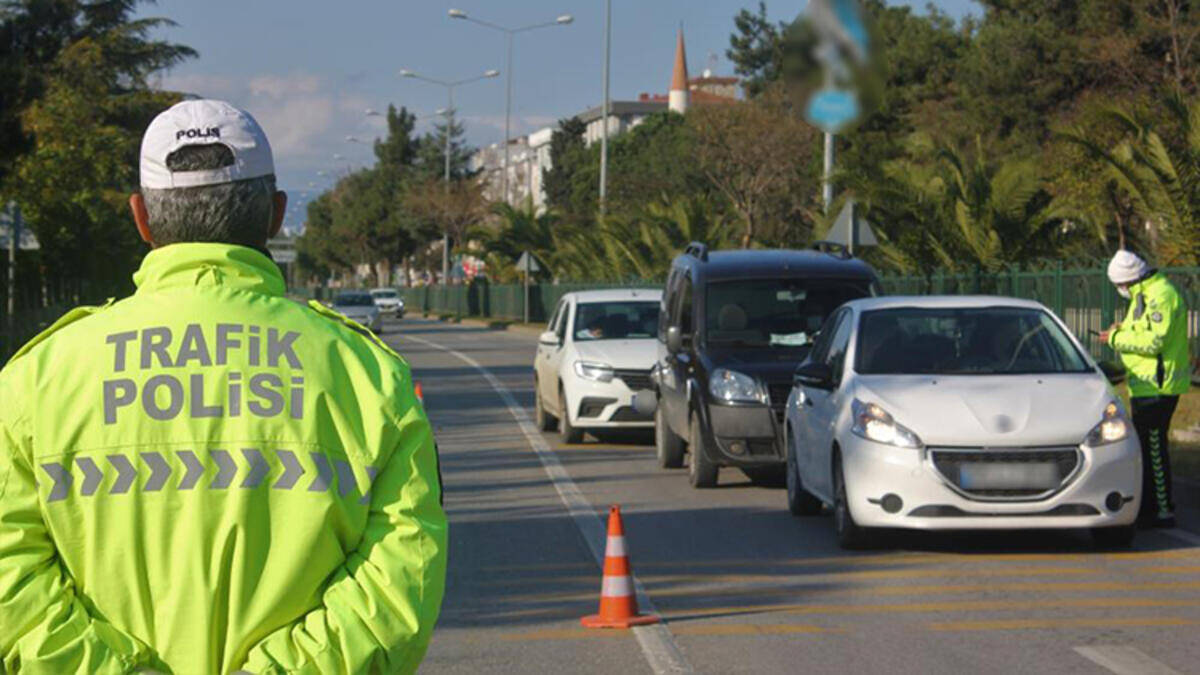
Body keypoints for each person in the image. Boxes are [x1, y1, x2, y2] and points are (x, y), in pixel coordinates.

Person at [0, 100, 447, 673]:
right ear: (276, 215)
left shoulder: (40, 377)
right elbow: (400, 578)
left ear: (141, 217)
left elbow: (15, 585)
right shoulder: (367, 373)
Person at [1100, 250, 1192, 528]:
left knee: (1153, 448)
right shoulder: (1144, 295)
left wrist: (1116, 337)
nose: (1120, 291)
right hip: (1144, 385)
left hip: (1158, 386)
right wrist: (1121, 330)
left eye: (1119, 285)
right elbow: (1139, 330)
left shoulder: (1160, 295)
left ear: (1128, 281)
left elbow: (1154, 341)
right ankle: (1149, 508)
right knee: (1147, 449)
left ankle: (1163, 511)